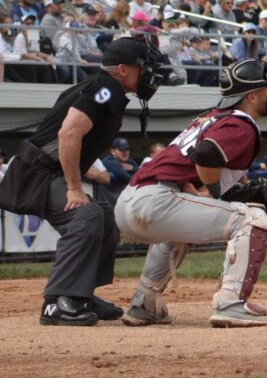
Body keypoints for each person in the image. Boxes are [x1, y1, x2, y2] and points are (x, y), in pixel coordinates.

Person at [114, 59, 267, 328]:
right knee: (254, 219)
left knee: (177, 233)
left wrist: (210, 190)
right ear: (252, 96)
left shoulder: (211, 117)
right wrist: (213, 192)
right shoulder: (240, 123)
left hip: (131, 201)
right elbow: (207, 154)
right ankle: (230, 303)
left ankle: (145, 303)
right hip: (157, 201)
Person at [0, 36, 163, 325]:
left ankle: (81, 295)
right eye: (143, 67)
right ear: (122, 69)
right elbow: (68, 133)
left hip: (46, 171)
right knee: (85, 215)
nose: (148, 74)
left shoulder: (103, 87)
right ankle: (56, 302)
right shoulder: (104, 87)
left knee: (104, 214)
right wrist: (74, 189)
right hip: (35, 174)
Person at [97, 137, 138, 206]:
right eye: (122, 150)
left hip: (123, 201)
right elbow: (130, 179)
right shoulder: (109, 161)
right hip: (109, 204)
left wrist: (132, 168)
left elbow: (142, 174)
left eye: (127, 149)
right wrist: (134, 172)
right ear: (112, 151)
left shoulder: (130, 162)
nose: (126, 152)